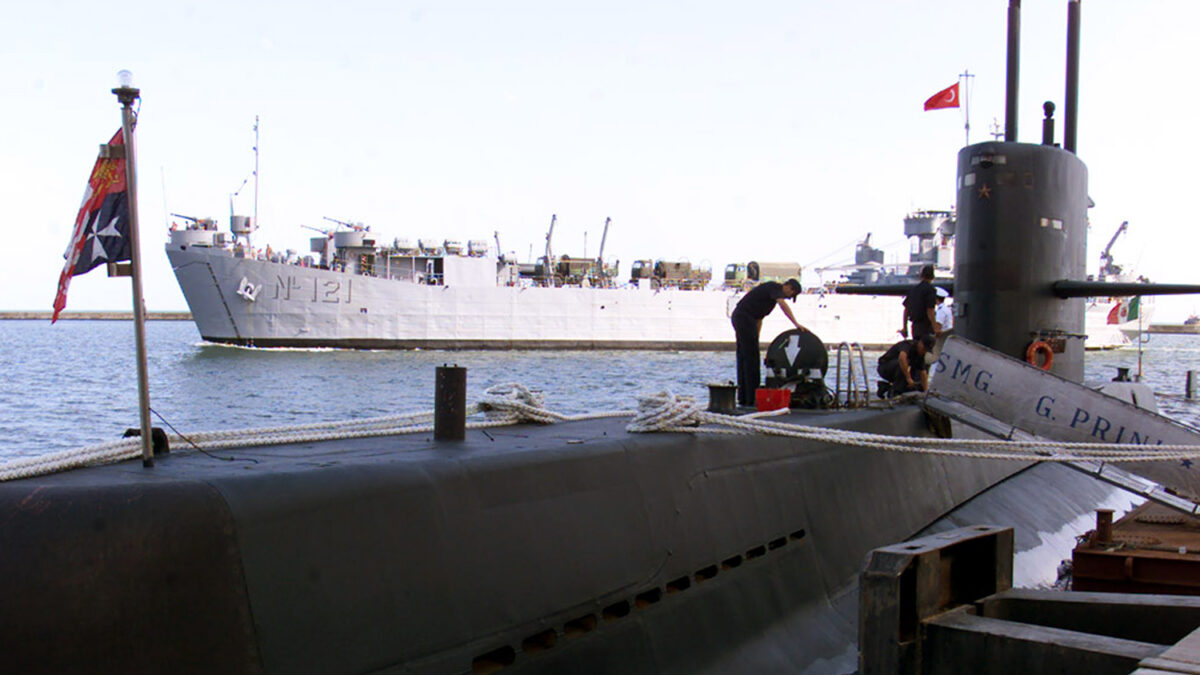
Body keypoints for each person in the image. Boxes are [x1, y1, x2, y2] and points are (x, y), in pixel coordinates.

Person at [731, 278, 808, 406]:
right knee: (751, 359)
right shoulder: (774, 287)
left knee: (745, 356)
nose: (789, 298)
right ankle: (751, 397)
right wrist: (796, 323)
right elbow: (783, 305)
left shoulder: (769, 298)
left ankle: (744, 396)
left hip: (744, 318)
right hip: (744, 318)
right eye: (791, 295)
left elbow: (759, 318)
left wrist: (756, 337)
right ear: (788, 287)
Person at [901, 264, 940, 340]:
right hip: (926, 328)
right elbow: (930, 310)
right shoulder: (930, 290)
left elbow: (906, 310)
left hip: (915, 328)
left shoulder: (913, 290)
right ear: (933, 277)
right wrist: (936, 328)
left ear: (921, 276)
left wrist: (905, 328)